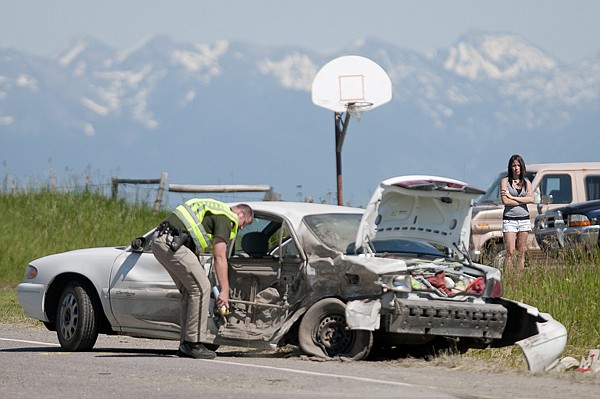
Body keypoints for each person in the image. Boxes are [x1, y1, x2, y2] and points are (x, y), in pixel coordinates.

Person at [152, 199, 253, 359]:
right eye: (244, 223)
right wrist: (225, 290)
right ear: (240, 213)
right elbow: (220, 256)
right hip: (172, 242)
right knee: (201, 288)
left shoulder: (214, 210)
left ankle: (185, 344)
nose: (241, 228)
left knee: (190, 290)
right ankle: (194, 344)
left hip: (162, 241)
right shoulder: (226, 217)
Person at [500, 154, 534, 270]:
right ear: (511, 167)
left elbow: (531, 199)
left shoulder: (527, 183)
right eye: (514, 165)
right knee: (510, 251)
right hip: (510, 219)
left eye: (518, 165)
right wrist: (522, 201)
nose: (516, 168)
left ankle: (519, 275)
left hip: (524, 218)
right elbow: (505, 201)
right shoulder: (505, 181)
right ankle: (508, 275)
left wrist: (513, 197)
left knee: (522, 250)